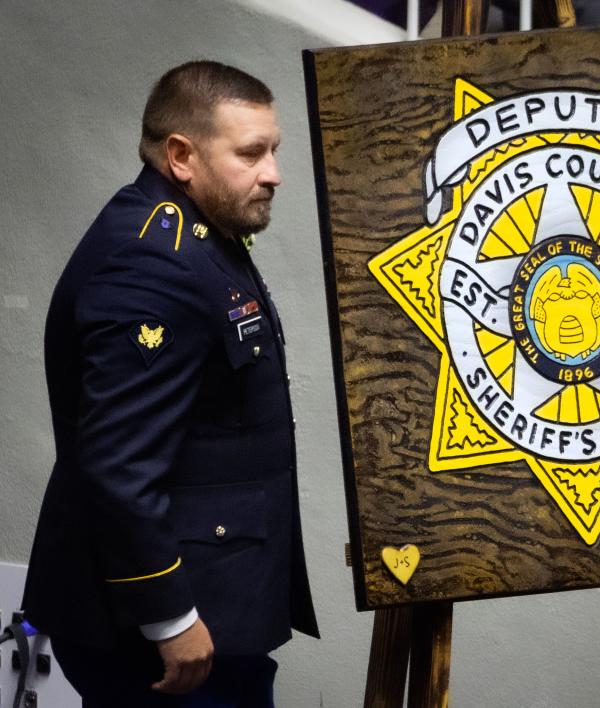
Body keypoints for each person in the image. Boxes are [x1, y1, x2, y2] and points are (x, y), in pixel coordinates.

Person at [21, 60, 319, 707]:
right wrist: (171, 618)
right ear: (181, 155)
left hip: (209, 606)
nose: (273, 172)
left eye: (274, 151)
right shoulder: (152, 261)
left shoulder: (197, 233)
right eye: (251, 153)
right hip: (161, 636)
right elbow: (117, 465)